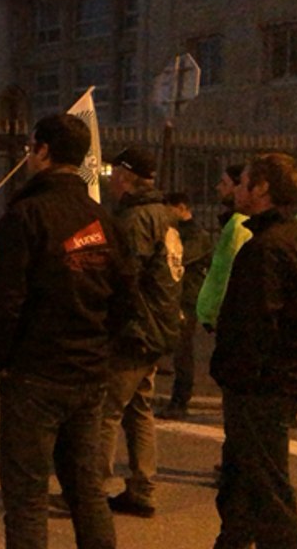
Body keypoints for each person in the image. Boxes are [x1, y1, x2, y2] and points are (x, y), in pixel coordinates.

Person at [0, 114, 130, 549]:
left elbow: (5, 299)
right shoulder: (102, 219)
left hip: (36, 373)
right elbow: (125, 295)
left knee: (27, 498)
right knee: (86, 491)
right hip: (87, 373)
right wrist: (101, 345)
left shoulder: (26, 214)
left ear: (42, 150)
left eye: (31, 147)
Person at [209, 153, 297, 549]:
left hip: (260, 387)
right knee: (240, 480)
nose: (235, 188)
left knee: (267, 487)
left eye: (243, 180)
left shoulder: (267, 248)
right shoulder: (295, 238)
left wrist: (234, 374)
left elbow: (254, 327)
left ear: (262, 188)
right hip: (276, 380)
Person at [99, 147, 182, 518]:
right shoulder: (164, 215)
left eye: (115, 174)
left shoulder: (134, 219)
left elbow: (125, 278)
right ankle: (143, 486)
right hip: (157, 326)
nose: (111, 181)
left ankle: (93, 488)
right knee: (139, 408)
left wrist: (114, 323)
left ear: (125, 178)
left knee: (107, 409)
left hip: (136, 329)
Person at [159, 192, 212, 420]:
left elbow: (179, 258)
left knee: (183, 351)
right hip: (176, 296)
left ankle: (180, 400)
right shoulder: (177, 232)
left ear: (181, 208)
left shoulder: (196, 235)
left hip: (187, 298)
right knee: (175, 346)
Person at [196, 165, 252, 333]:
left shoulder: (238, 225)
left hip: (225, 319)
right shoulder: (236, 223)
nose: (218, 187)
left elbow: (227, 274)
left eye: (224, 183)